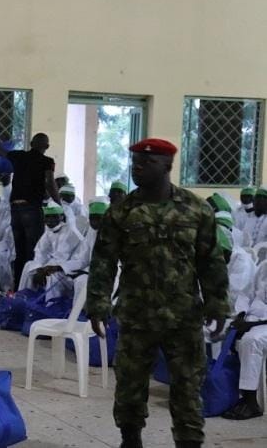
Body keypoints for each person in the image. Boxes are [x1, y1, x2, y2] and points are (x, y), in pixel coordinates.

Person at [86, 138, 229, 448]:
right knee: (130, 385)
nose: (138, 166)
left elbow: (211, 261)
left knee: (188, 387)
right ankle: (130, 438)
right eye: (135, 160)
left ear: (167, 165)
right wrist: (97, 303)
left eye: (147, 162)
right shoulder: (121, 212)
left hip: (184, 317)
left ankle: (189, 441)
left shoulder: (196, 209)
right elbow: (103, 261)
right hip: (136, 316)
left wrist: (218, 305)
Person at [4, 133, 61, 288]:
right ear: (47, 147)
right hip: (31, 208)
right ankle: (30, 289)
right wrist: (58, 203)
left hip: (15, 209)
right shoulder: (47, 161)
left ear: (30, 143)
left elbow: (0, 151)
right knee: (33, 251)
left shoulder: (19, 156)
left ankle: (17, 288)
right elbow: (50, 182)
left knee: (19, 252)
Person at [222, 261, 267, 420]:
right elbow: (247, 294)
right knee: (225, 331)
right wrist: (240, 316)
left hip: (262, 323)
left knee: (251, 341)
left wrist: (253, 324)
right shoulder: (264, 265)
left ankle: (251, 401)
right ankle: (226, 393)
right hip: (254, 319)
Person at [17, 201, 87, 299]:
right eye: (48, 217)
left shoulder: (70, 233)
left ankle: (49, 305)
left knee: (51, 276)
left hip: (67, 271)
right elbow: (40, 253)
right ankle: (24, 299)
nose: (50, 220)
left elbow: (61, 258)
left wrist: (44, 270)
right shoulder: (48, 232)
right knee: (29, 266)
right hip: (51, 267)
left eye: (54, 216)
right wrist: (39, 268)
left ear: (61, 217)